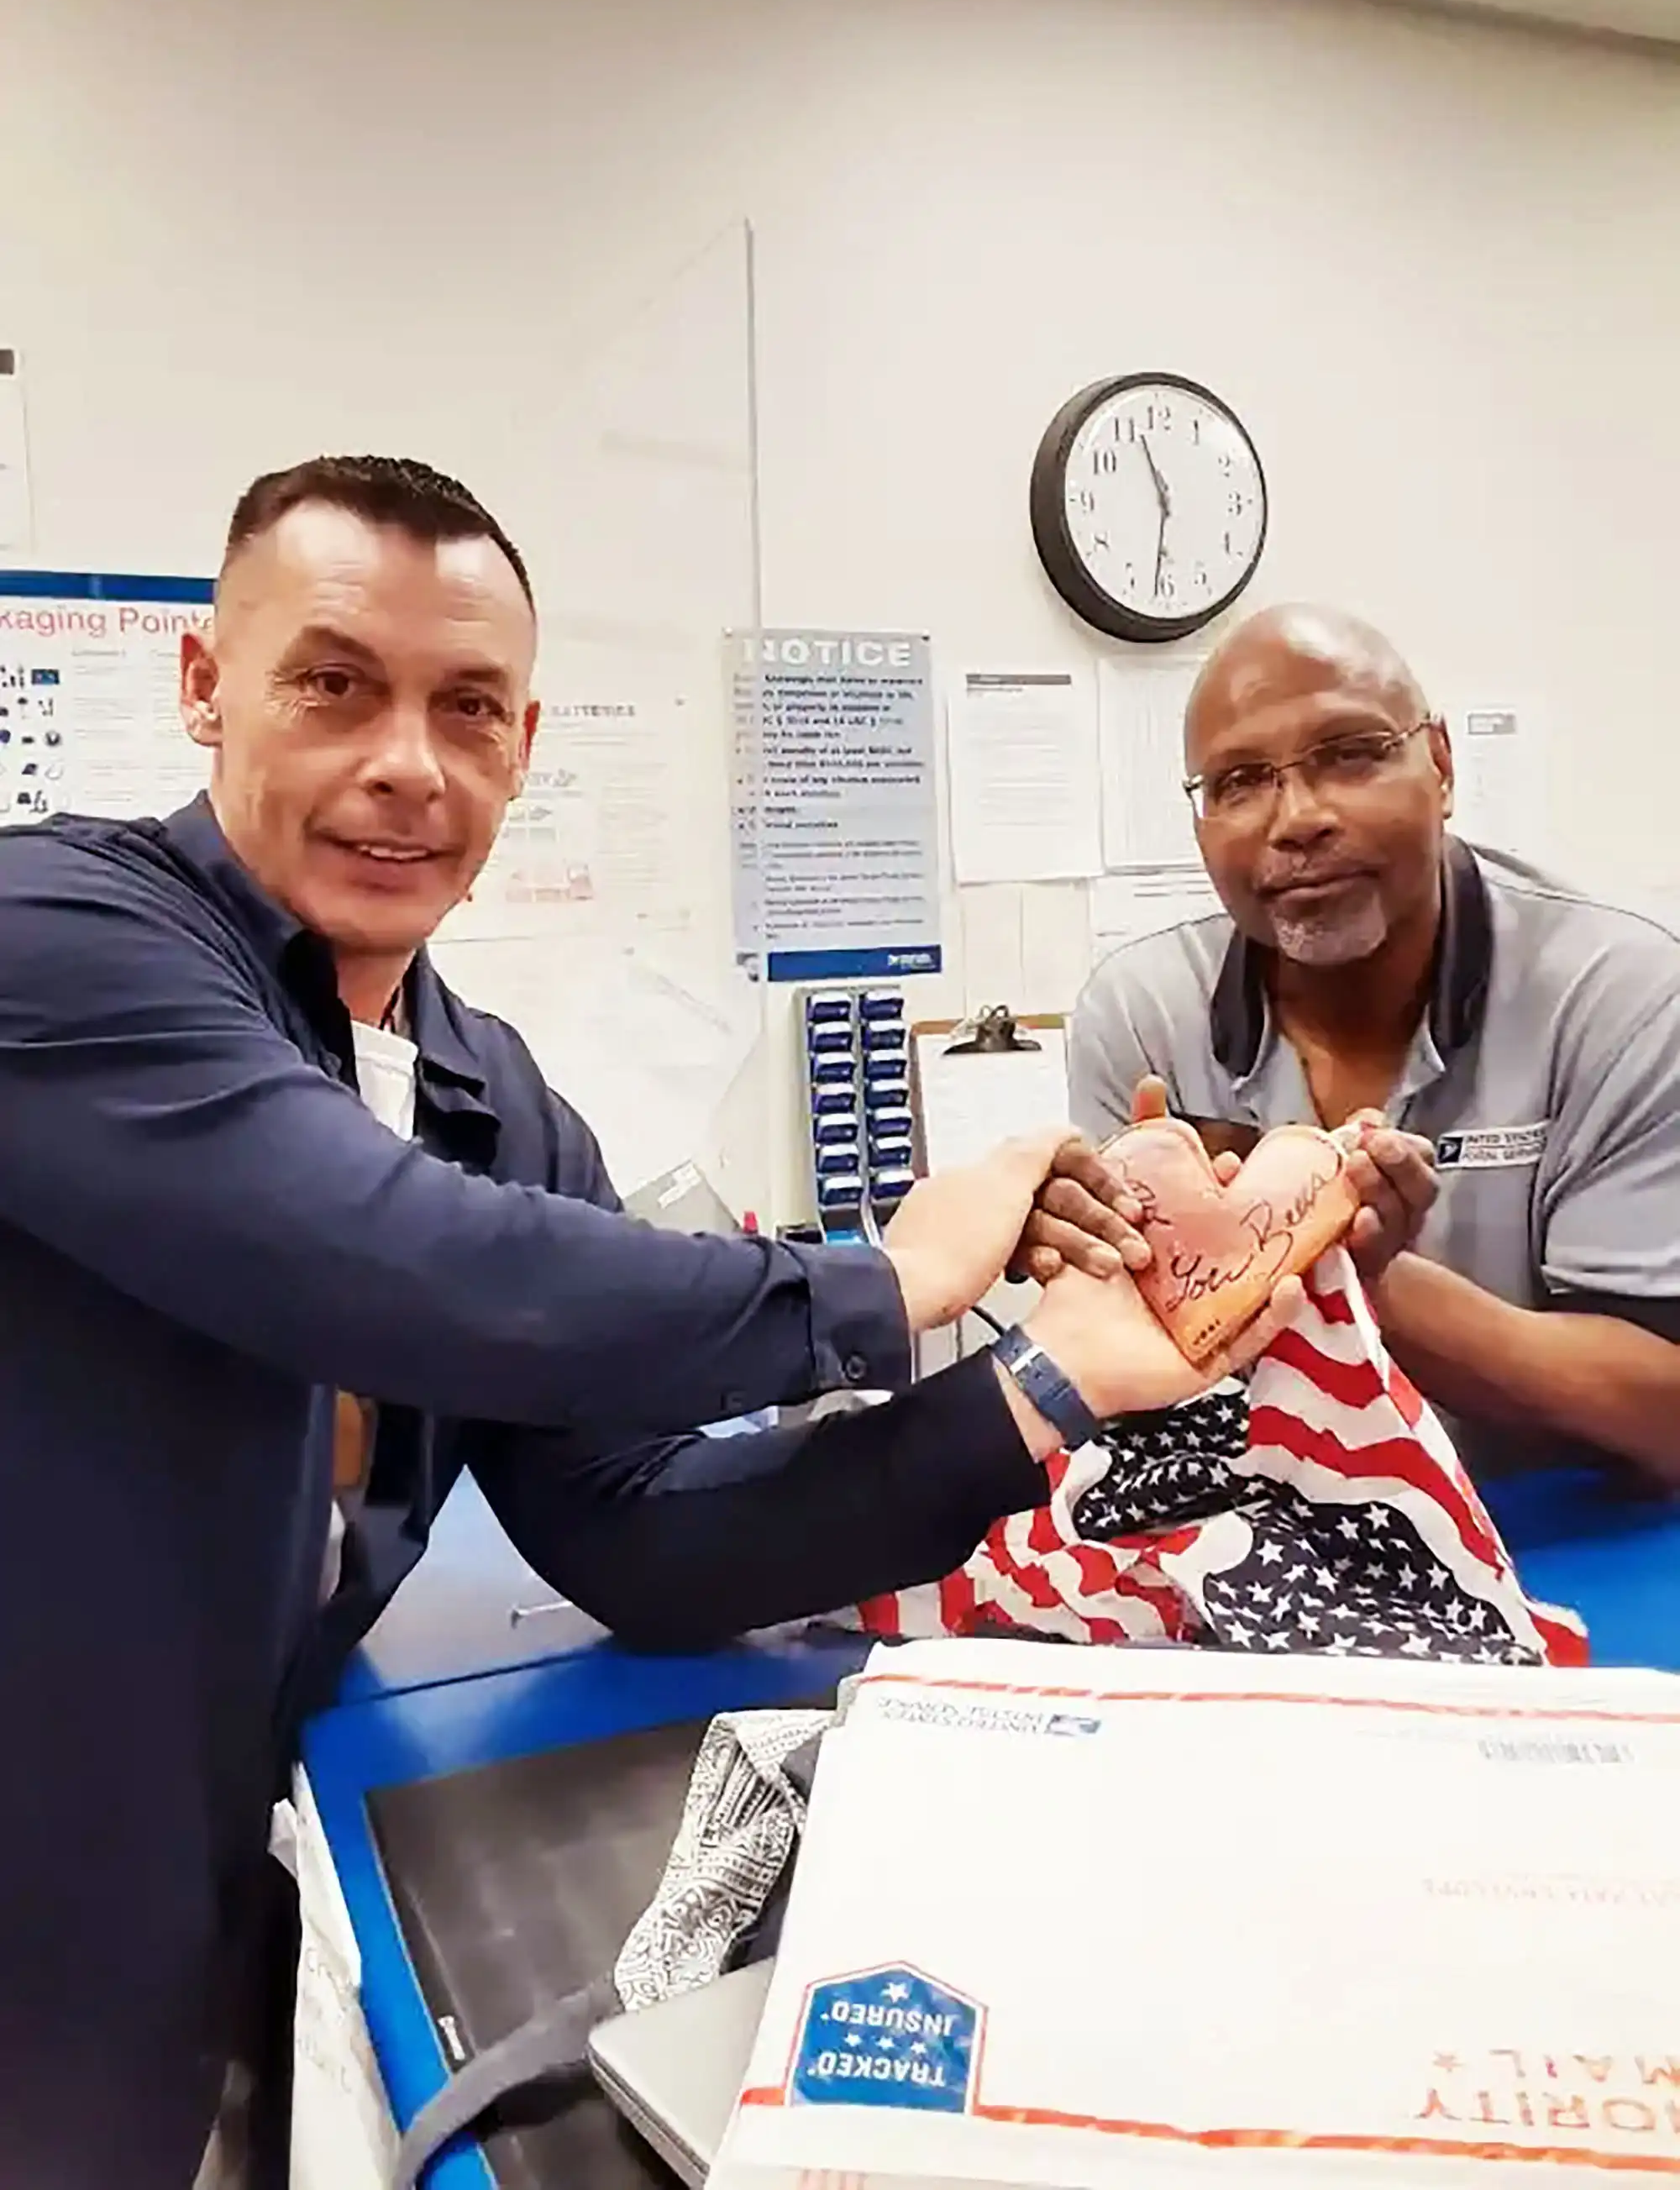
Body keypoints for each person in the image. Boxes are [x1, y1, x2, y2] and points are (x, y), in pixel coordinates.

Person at [0, 455, 1299, 2190]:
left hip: (213, 1843)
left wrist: (1042, 1384)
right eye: (332, 684)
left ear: (522, 746)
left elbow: (640, 1530)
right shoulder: (60, 934)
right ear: (201, 688)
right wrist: (887, 1278)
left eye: (468, 706)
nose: (407, 761)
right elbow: (396, 1259)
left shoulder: (485, 1093)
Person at [1064, 600, 1680, 1488]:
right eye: (1238, 780)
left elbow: (1661, 1406)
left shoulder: (1618, 995)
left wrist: (1354, 1278)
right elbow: (1118, 1371)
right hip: (1262, 1539)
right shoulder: (1140, 1016)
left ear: (1438, 764)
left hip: (1568, 1542)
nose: (1296, 818)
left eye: (1348, 754)